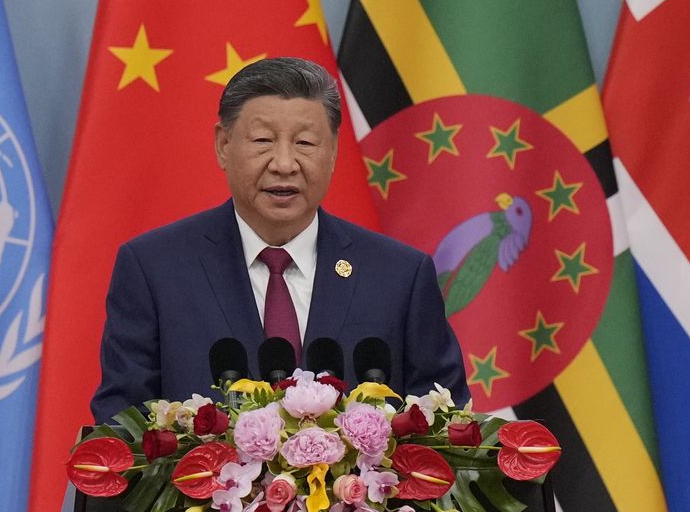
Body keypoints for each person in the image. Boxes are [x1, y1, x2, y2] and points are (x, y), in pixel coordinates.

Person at [90, 57, 467, 422]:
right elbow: (123, 426)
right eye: (263, 140)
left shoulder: (399, 275)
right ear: (223, 145)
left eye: (305, 143)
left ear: (333, 150)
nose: (284, 164)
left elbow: (445, 428)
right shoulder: (155, 269)